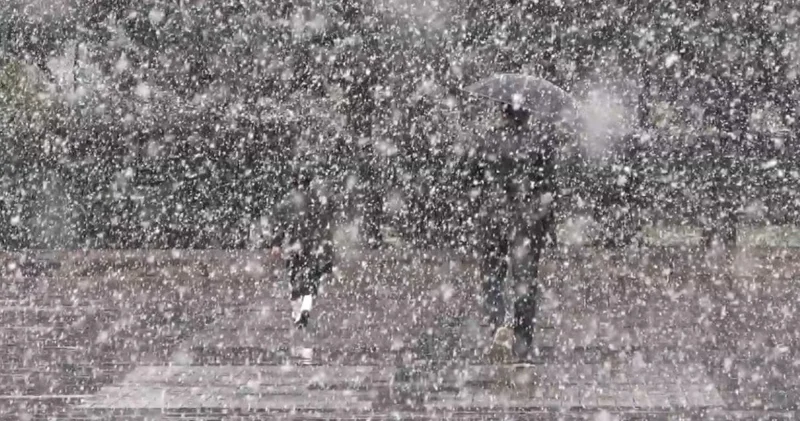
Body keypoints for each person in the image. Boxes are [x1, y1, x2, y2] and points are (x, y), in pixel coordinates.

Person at [467, 104, 559, 361]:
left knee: (492, 278)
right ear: (528, 114)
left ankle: (500, 327)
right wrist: (549, 224)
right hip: (528, 221)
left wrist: (480, 208)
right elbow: (548, 188)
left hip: (493, 217)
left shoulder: (487, 141)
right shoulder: (541, 143)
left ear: (503, 113)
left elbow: (471, 181)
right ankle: (522, 340)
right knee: (525, 281)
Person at [268, 159, 337, 328]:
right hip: (312, 246)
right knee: (310, 283)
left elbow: (281, 225)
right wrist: (327, 249)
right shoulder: (317, 201)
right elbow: (325, 227)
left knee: (294, 283)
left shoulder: (289, 202)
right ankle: (304, 311)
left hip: (295, 246)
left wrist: (277, 243)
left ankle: (298, 314)